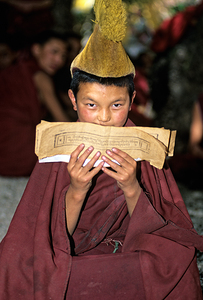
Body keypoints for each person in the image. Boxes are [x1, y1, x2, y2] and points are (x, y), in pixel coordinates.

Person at [0, 0, 203, 299]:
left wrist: (131, 187)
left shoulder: (142, 143)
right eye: (91, 105)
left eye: (117, 105)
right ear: (72, 99)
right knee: (17, 262)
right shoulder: (61, 143)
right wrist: (77, 189)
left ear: (132, 102)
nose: (105, 117)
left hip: (125, 247)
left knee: (175, 264)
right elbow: (44, 232)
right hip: (70, 249)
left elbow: (163, 230)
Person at [0, 30, 70, 177]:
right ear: (36, 49)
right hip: (17, 149)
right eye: (54, 52)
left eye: (63, 56)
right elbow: (62, 121)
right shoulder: (40, 76)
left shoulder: (15, 69)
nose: (59, 60)